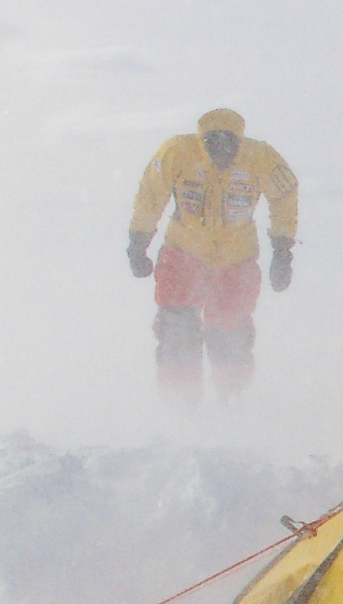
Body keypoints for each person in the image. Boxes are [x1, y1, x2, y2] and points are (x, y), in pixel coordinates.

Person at [126, 108, 297, 400]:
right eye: (212, 145)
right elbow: (150, 194)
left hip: (236, 260)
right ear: (202, 141)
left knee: (230, 332)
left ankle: (231, 403)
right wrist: (138, 242)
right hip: (182, 254)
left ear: (238, 144)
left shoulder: (262, 159)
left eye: (228, 147)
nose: (220, 154)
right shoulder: (177, 152)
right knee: (176, 330)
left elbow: (285, 195)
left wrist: (282, 252)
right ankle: (180, 405)